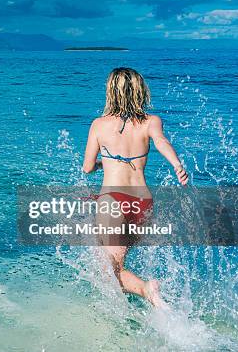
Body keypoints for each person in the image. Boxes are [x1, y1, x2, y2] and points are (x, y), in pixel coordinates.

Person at [82, 67, 188, 308]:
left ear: (111, 92)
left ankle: (146, 290)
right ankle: (134, 307)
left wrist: (104, 164)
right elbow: (162, 142)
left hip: (113, 201)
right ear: (141, 91)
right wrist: (177, 165)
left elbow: (87, 167)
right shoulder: (151, 122)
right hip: (143, 203)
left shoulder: (99, 125)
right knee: (114, 263)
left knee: (109, 270)